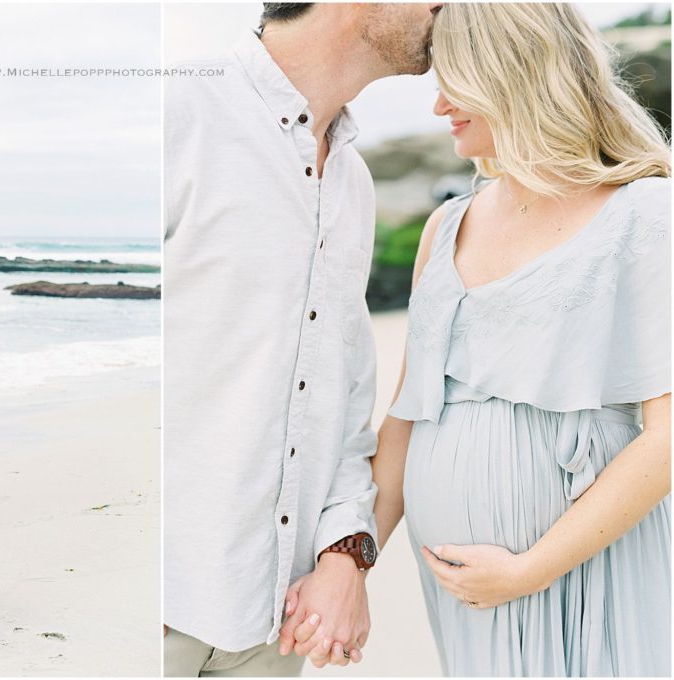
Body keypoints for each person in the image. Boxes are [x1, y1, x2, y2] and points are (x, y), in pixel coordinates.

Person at [371, 4, 671, 676]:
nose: (439, 103)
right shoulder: (445, 228)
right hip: (465, 592)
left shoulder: (646, 216)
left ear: (513, 73)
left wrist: (529, 570)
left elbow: (668, 437)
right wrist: (351, 560)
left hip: (588, 572)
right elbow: (404, 419)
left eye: (457, 79)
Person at [164, 2, 442, 675]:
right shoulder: (179, 111)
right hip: (161, 604)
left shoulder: (354, 180)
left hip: (276, 619)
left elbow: (344, 399)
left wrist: (346, 553)